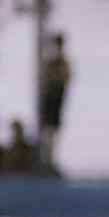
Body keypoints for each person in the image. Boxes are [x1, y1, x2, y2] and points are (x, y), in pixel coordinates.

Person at [38, 34, 71, 167]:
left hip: (56, 95)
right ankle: (47, 157)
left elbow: (65, 77)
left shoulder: (62, 62)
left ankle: (50, 158)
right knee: (49, 127)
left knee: (52, 128)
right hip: (51, 95)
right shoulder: (52, 61)